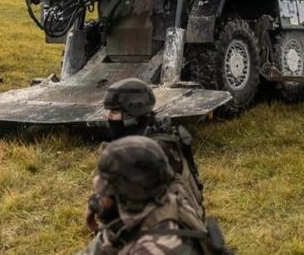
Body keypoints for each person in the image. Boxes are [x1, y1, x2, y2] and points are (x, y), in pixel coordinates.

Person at [80, 136, 230, 255]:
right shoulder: (160, 203)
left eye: (105, 191)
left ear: (124, 195)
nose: (99, 196)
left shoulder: (154, 247)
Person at [101, 78, 205, 216]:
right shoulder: (150, 135)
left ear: (132, 115)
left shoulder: (152, 151)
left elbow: (127, 202)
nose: (108, 117)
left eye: (114, 112)